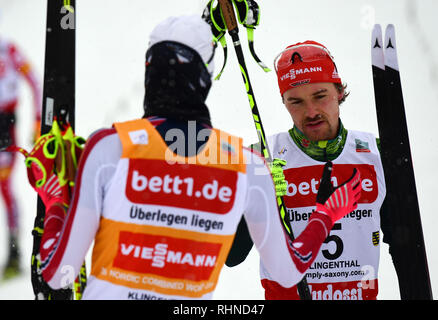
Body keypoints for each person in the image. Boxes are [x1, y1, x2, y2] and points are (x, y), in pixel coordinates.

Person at [23, 17, 361, 300]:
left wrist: (56, 203)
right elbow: (290, 269)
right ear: (204, 78)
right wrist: (326, 214)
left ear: (148, 71)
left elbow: (58, 273)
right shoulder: (246, 165)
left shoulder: (109, 148)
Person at [226, 41, 388, 300]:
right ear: (284, 103)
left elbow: (406, 246)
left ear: (339, 92)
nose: (311, 112)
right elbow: (231, 256)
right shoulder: (261, 157)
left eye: (320, 96)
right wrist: (260, 200)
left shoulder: (376, 154)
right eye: (296, 102)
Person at [0, 36, 41, 279]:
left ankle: (15, 252)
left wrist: (38, 120)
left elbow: (35, 81)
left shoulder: (8, 48)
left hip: (4, 126)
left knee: (5, 187)